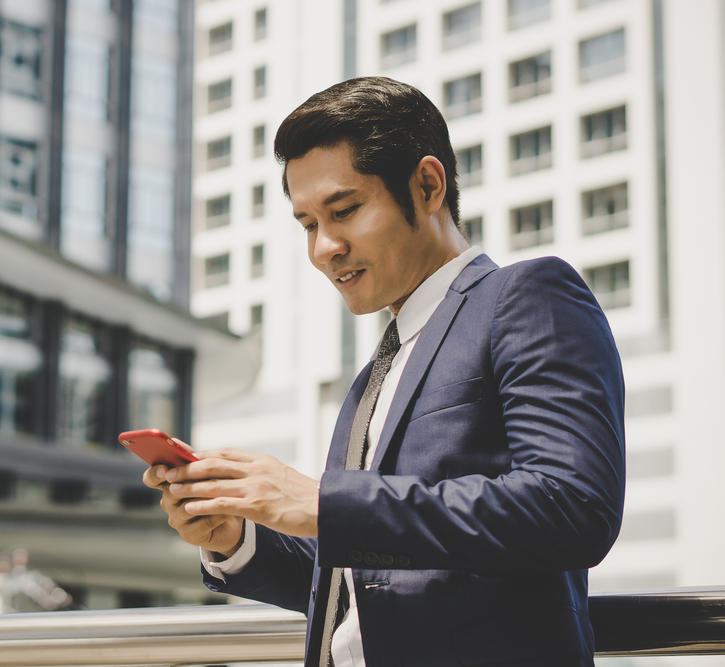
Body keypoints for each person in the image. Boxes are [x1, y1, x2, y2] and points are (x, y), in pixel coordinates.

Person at [143, 77, 625, 667]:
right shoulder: (376, 373)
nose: (325, 248)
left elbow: (572, 507)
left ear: (427, 185)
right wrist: (239, 537)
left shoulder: (525, 296)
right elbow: (363, 587)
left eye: (343, 211)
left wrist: (324, 503)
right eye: (307, 224)